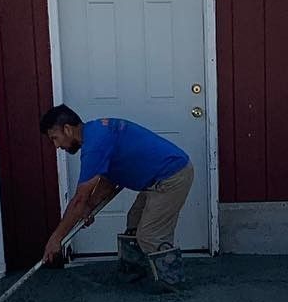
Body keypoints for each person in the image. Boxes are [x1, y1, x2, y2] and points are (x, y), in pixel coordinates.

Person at [39, 105, 194, 290]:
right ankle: (135, 276)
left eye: (55, 138)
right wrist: (90, 206)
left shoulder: (94, 145)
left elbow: (79, 199)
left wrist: (56, 238)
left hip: (172, 175)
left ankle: (173, 285)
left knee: (150, 235)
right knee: (134, 222)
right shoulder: (97, 133)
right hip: (155, 180)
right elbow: (108, 182)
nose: (56, 146)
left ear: (67, 129)